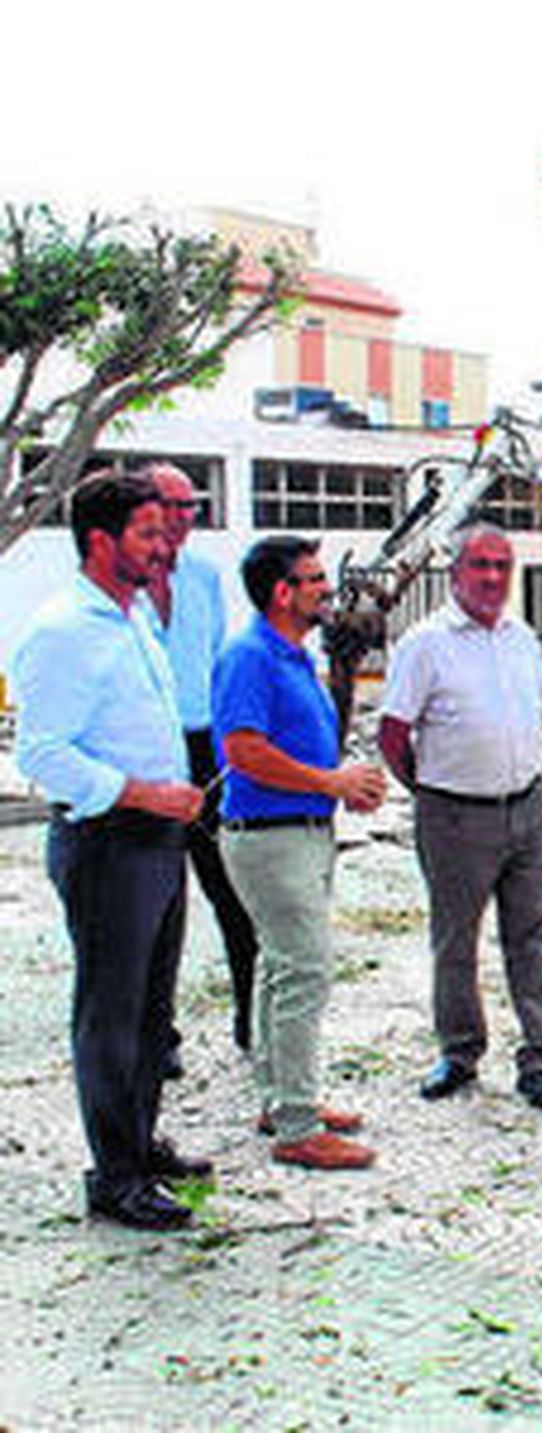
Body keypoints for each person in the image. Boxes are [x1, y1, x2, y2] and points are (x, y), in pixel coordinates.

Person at [14, 470, 213, 1231]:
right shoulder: (65, 630)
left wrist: (171, 796)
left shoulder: (133, 619)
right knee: (111, 1012)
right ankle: (115, 1176)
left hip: (159, 838)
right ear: (101, 541)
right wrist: (140, 792)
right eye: (148, 534)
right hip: (108, 842)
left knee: (153, 1009)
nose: (164, 546)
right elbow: (43, 753)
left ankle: (140, 1140)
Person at [212, 535, 387, 1170]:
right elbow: (243, 751)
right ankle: (297, 1126)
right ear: (282, 593)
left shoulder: (292, 656)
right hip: (271, 836)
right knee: (305, 971)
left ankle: (281, 1098)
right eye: (314, 579)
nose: (327, 590)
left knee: (279, 970)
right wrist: (330, 782)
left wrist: (339, 787)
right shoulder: (250, 657)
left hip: (301, 830)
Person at [378, 523, 542, 1111]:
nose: (492, 578)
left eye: (502, 566)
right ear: (455, 573)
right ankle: (459, 1052)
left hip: (526, 809)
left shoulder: (521, 638)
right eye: (480, 565)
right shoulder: (424, 644)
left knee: (531, 937)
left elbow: (534, 715)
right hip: (455, 816)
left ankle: (541, 1058)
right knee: (456, 941)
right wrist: (433, 789)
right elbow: (393, 734)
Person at [140, 462, 258, 1056]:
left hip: (203, 745)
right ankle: (155, 1034)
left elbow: (215, 663)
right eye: (172, 505)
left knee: (233, 890)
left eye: (191, 506)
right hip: (147, 754)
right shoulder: (121, 585)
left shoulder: (205, 576)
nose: (184, 518)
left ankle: (252, 1020)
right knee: (155, 903)